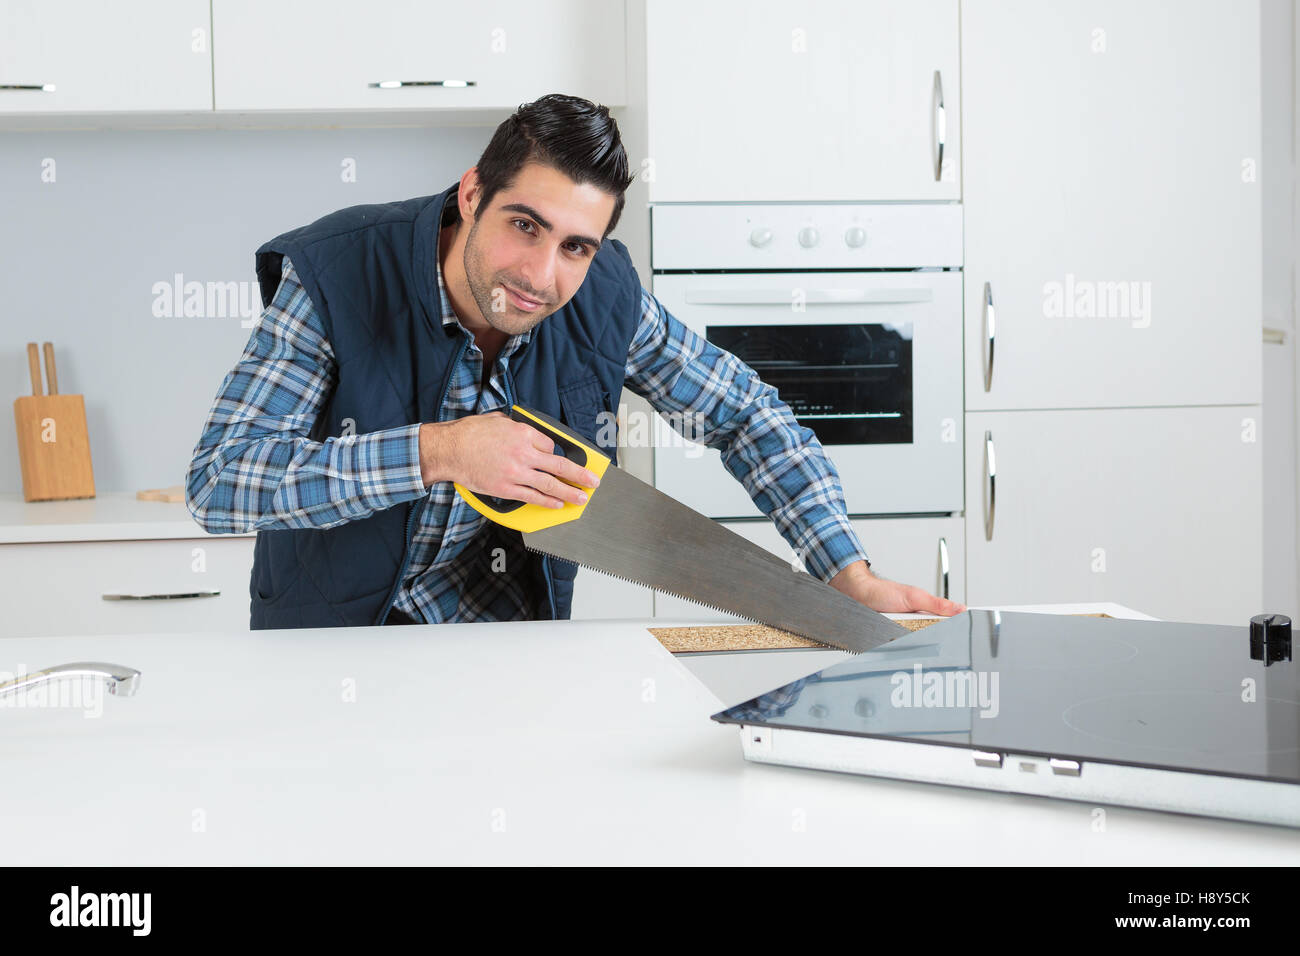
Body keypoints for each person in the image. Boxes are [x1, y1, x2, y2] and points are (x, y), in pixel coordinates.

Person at [185, 93, 966, 629]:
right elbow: (220, 481)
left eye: (575, 246)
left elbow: (748, 414)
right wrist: (441, 450)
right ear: (471, 194)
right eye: (524, 225)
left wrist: (846, 573)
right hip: (330, 652)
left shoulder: (602, 299)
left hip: (508, 660)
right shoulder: (336, 273)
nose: (540, 275)